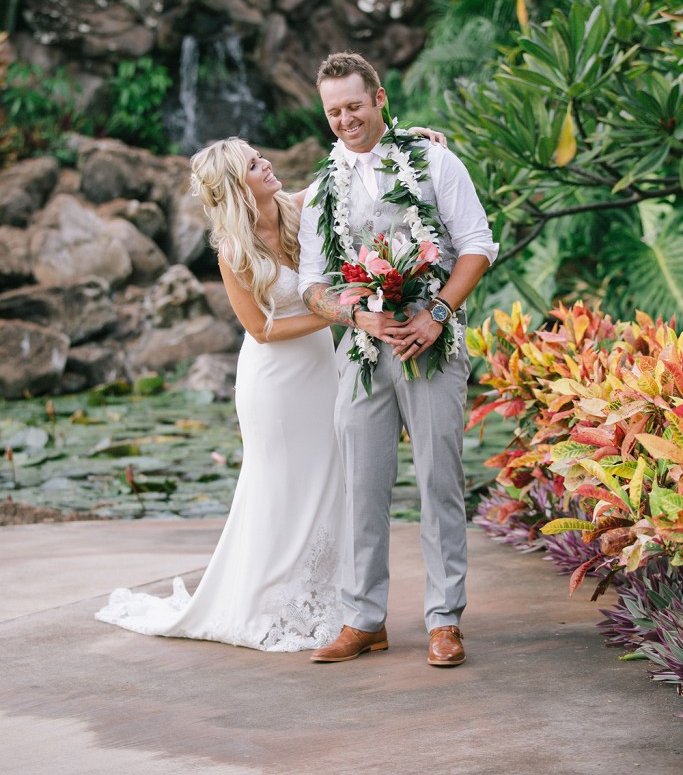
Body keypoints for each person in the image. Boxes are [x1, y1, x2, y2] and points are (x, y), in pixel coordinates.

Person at [96, 124, 447, 652]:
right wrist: (347, 315)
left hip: (322, 370)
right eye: (255, 165)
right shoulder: (232, 250)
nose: (268, 166)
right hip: (274, 384)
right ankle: (274, 601)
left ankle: (337, 601)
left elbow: (344, 163)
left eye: (261, 158)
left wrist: (403, 137)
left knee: (331, 479)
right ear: (238, 186)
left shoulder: (297, 208)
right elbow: (261, 329)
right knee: (281, 487)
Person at [297, 52, 498, 667]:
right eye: (334, 111)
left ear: (380, 98)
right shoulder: (321, 189)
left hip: (431, 341)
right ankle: (363, 619)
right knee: (361, 487)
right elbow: (311, 284)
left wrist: (435, 314)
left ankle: (445, 620)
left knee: (439, 480)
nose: (345, 120)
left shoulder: (433, 160)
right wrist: (355, 316)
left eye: (355, 106)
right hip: (363, 350)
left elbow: (478, 245)